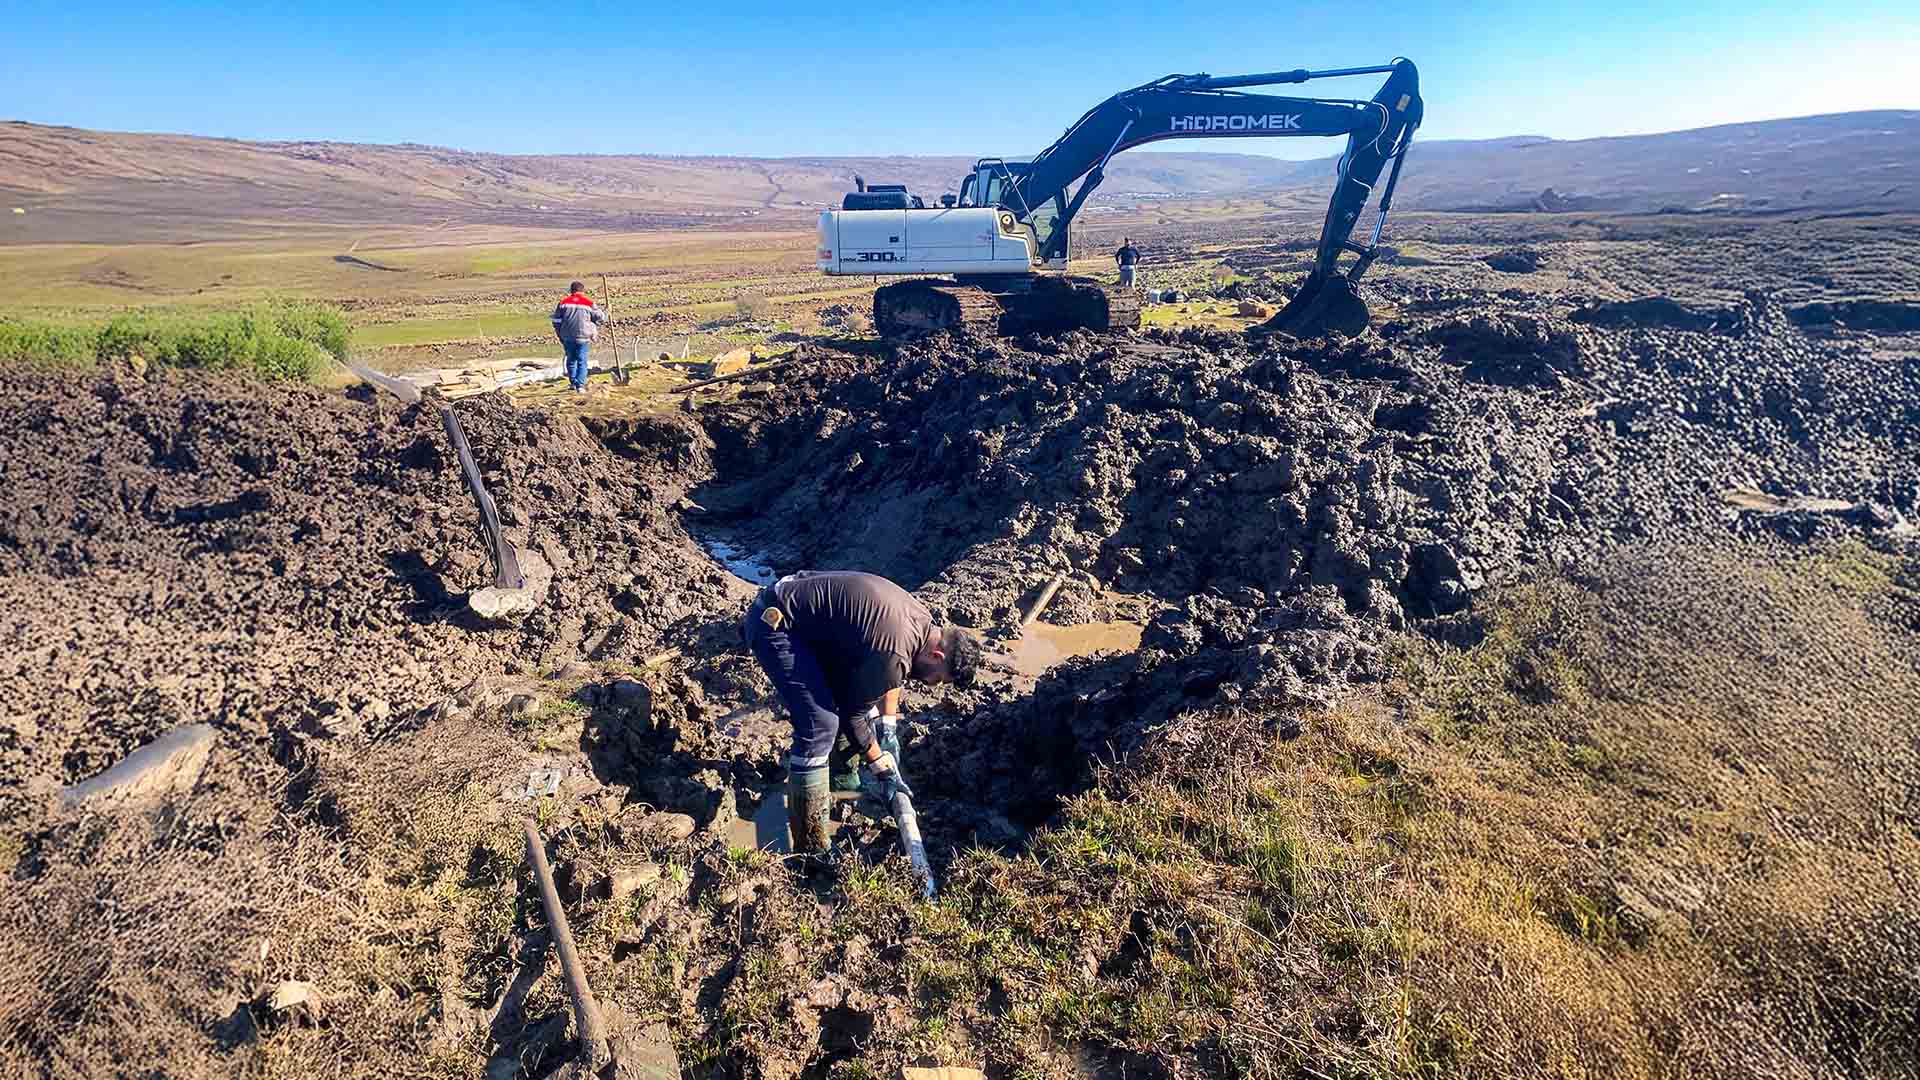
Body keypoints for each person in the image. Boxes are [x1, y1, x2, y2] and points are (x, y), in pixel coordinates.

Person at [741, 571, 983, 860]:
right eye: (939, 679)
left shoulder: (923, 626)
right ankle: (811, 847)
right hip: (777, 624)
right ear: (938, 657)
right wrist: (881, 766)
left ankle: (839, 784)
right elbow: (854, 715)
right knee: (821, 724)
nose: (932, 685)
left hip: (801, 612)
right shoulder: (895, 653)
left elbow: (891, 677)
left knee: (857, 699)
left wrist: (888, 726)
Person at [550, 281, 607, 393]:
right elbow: (600, 317)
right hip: (583, 336)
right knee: (582, 361)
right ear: (582, 291)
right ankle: (580, 385)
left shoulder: (563, 303)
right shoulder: (588, 303)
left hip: (567, 336)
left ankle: (573, 383)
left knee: (571, 360)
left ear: (571, 291)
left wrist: (560, 334)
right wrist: (606, 311)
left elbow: (556, 320)